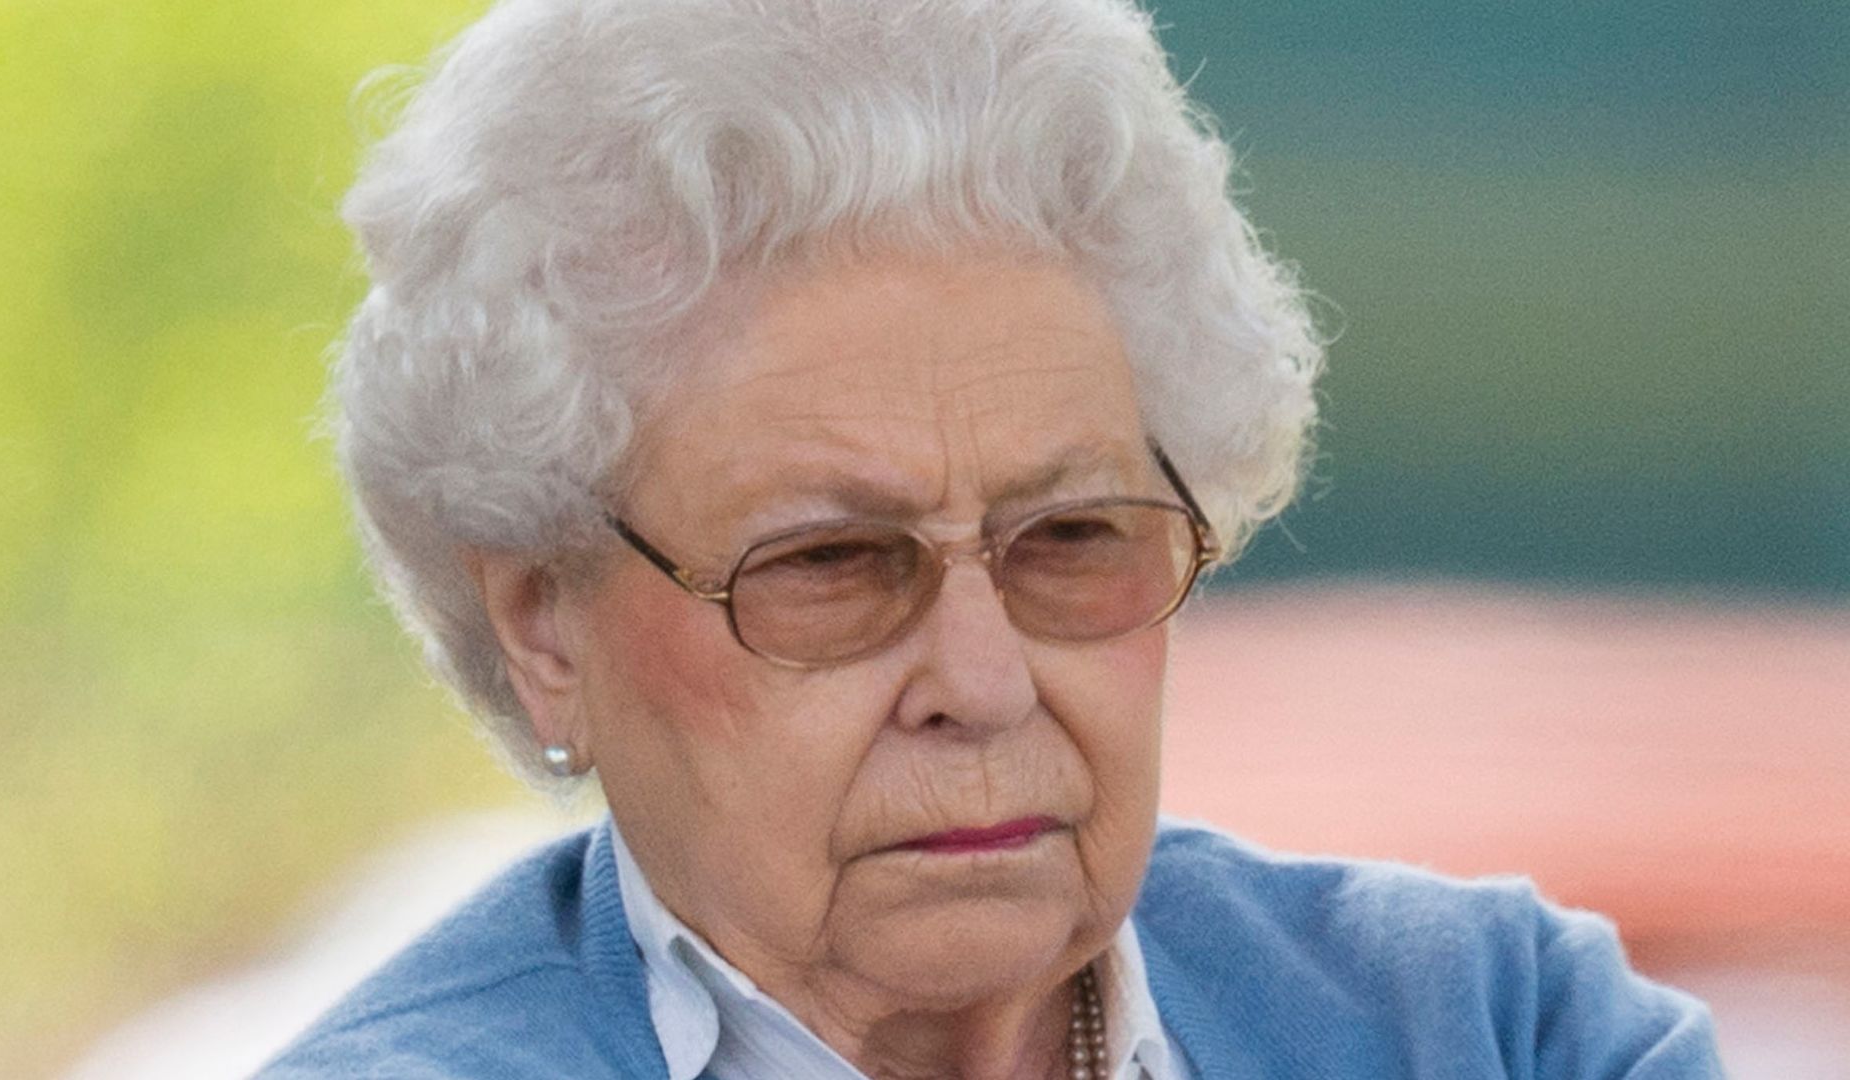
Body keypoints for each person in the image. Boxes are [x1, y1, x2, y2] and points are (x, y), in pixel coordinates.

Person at [258, 0, 1723, 1076]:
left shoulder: (1490, 1027)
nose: (986, 677)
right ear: (543, 625)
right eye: (828, 565)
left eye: (1071, 536)